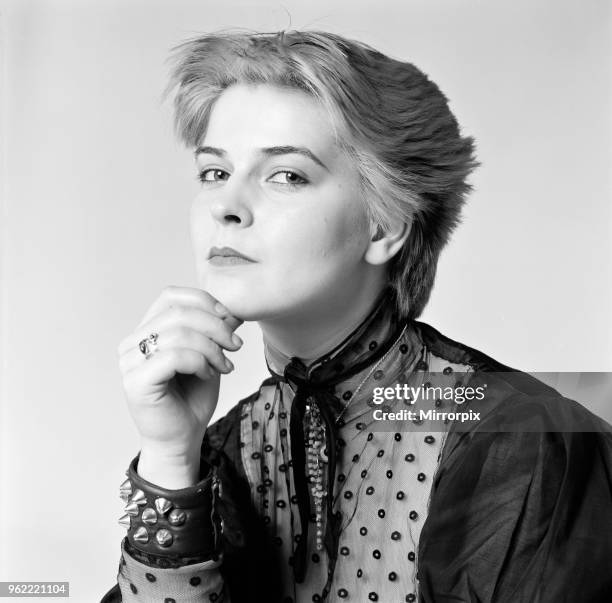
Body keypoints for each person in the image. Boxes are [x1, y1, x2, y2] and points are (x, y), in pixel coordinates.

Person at [101, 29, 612, 603]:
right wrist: (170, 457)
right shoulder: (220, 448)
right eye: (215, 172)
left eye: (286, 175)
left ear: (385, 224)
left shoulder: (517, 439)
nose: (225, 206)